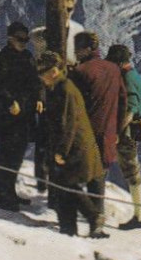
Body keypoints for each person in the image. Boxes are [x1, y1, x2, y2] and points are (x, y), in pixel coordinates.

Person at [35, 51, 105, 238]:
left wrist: (61, 151)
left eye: (44, 72)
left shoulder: (64, 90)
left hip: (73, 149)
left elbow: (68, 123)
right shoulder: (60, 88)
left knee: (66, 186)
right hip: (74, 147)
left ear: (54, 71)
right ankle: (70, 228)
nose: (41, 77)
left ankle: (91, 217)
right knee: (63, 188)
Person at [68, 31, 126, 231]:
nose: (75, 53)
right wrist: (117, 130)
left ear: (86, 49)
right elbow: (123, 102)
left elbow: (73, 106)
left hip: (87, 133)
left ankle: (89, 218)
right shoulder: (114, 70)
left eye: (77, 49)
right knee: (98, 177)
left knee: (70, 177)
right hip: (108, 134)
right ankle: (97, 222)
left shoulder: (80, 72)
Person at [0, 21, 40, 211]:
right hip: (8, 117)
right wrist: (8, 102)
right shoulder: (2, 60)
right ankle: (5, 197)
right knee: (8, 157)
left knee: (16, 157)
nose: (24, 42)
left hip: (24, 116)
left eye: (26, 39)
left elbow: (35, 81)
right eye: (20, 39)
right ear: (10, 39)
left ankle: (10, 193)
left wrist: (39, 98)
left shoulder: (27, 57)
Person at [107, 44, 141, 230]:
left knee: (131, 170)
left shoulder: (127, 78)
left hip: (128, 131)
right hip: (140, 127)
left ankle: (139, 217)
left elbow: (131, 108)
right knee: (133, 169)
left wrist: (117, 131)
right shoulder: (136, 76)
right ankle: (138, 215)